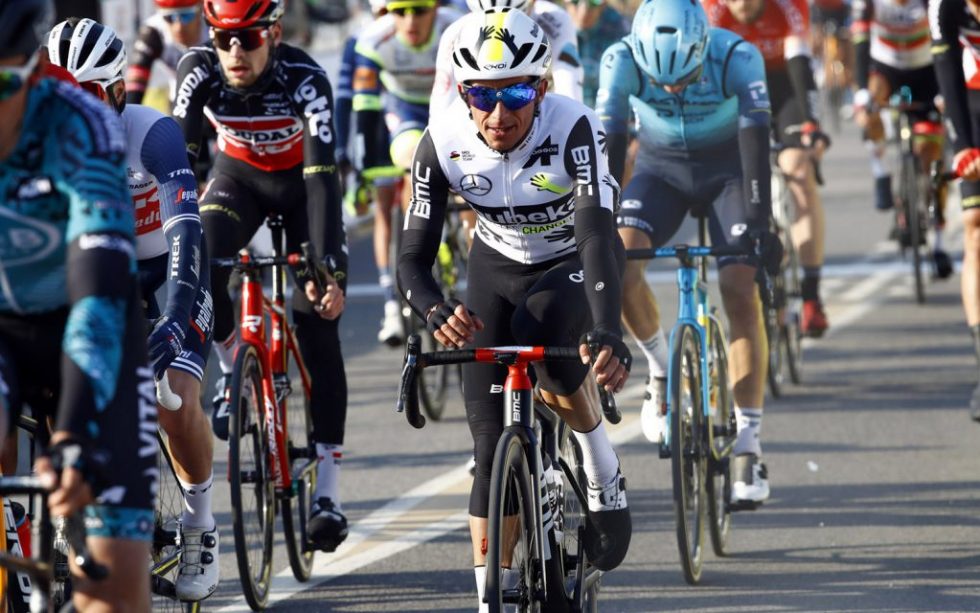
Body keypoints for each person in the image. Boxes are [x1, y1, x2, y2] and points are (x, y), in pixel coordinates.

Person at [397, 10, 632, 609]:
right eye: (481, 95)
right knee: (486, 446)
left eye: (517, 94)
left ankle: (599, 462)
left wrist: (606, 328)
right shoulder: (442, 140)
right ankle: (490, 593)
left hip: (572, 258)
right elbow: (412, 260)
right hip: (495, 264)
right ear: (463, 92)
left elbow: (598, 236)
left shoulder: (573, 126)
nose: (498, 115)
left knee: (546, 341)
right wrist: (433, 309)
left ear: (543, 88)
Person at [47, 17, 220, 601]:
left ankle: (199, 523)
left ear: (117, 92)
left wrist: (174, 320)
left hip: (168, 271)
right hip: (100, 274)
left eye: (88, 94)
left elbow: (186, 236)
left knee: (176, 399)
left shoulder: (153, 135)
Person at [173, 0, 351, 551]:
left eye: (247, 37)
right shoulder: (197, 69)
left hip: (302, 188)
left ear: (274, 32)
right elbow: (181, 165)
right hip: (237, 181)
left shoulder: (305, 78)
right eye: (222, 37)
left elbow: (323, 176)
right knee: (200, 261)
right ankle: (233, 365)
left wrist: (326, 265)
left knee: (315, 319)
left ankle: (328, 492)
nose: (233, 50)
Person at [0, 1, 155, 610]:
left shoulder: (80, 124)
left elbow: (99, 293)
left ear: (34, 71)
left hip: (88, 327)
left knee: (110, 592)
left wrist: (72, 431)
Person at [597, 0, 780, 503]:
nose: (674, 89)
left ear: (703, 47)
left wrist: (760, 224)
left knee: (738, 284)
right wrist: (601, 221)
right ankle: (660, 369)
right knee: (619, 258)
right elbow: (610, 144)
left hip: (730, 171)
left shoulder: (736, 55)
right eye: (664, 83)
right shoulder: (621, 60)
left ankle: (747, 442)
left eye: (685, 78)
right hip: (661, 171)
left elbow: (756, 139)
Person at [704, 0, 833, 338]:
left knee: (799, 171)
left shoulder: (788, 6)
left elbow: (800, 67)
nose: (743, 4)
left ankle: (810, 293)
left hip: (782, 89)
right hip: (733, 94)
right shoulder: (713, 10)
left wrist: (812, 124)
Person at [352, 0, 461, 345]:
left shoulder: (455, 27)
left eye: (419, 9)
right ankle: (430, 235)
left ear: (436, 8)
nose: (410, 20)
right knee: (411, 158)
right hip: (406, 112)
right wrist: (364, 169)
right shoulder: (374, 39)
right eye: (400, 11)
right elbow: (364, 107)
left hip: (452, 106)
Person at [851, 0, 952, 276]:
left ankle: (939, 241)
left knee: (932, 160)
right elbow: (860, 39)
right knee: (868, 109)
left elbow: (948, 35)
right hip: (886, 68)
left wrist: (948, 89)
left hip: (927, 71)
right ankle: (880, 172)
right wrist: (861, 91)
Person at [929, 0, 980, 420]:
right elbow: (945, 70)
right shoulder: (943, 5)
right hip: (974, 94)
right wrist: (963, 146)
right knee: (975, 227)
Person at [430, 0, 585, 116]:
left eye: (517, 18)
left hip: (539, 110)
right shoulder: (455, 33)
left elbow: (569, 90)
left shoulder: (555, 20)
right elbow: (442, 107)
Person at [126, 0, 209, 109]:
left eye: (186, 16)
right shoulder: (153, 31)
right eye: (169, 17)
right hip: (180, 98)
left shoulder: (213, 26)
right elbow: (135, 84)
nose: (178, 27)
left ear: (200, 10)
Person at [564, 0, 628, 108]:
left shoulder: (622, 32)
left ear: (604, 4)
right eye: (575, 1)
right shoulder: (545, 27)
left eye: (593, 2)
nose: (583, 12)